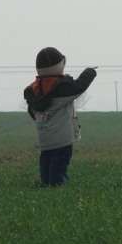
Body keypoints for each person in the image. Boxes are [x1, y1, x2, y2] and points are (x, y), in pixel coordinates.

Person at [23, 47, 97, 186]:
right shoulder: (61, 87)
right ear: (59, 66)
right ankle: (57, 189)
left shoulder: (33, 90)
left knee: (46, 164)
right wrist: (90, 71)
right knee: (58, 171)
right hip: (62, 140)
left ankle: (46, 186)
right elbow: (79, 86)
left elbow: (32, 112)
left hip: (44, 139)